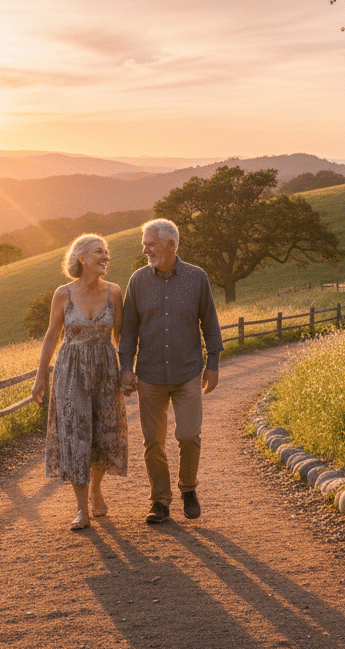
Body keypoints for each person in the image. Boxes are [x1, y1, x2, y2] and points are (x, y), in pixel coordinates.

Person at [119, 218, 223, 524]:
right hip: (149, 374)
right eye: (144, 244)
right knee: (153, 441)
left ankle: (188, 488)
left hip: (187, 371)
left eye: (150, 243)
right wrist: (126, 367)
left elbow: (210, 323)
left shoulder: (197, 278)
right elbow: (128, 330)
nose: (145, 249)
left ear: (171, 245)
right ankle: (160, 500)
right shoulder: (138, 281)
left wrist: (213, 364)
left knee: (189, 435)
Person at [32, 234, 128, 530]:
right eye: (100, 252)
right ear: (82, 257)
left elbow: (121, 335)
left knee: (103, 433)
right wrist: (39, 378)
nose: (106, 257)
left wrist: (127, 371)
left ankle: (97, 489)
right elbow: (51, 336)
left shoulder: (114, 292)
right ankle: (81, 509)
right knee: (75, 435)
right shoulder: (63, 293)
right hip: (70, 370)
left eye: (107, 252)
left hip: (105, 369)